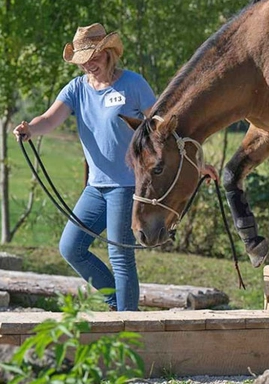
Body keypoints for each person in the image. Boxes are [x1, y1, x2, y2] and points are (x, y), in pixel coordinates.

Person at [13, 23, 217, 311]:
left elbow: (164, 132)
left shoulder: (133, 84)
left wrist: (198, 164)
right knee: (71, 247)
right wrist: (30, 128)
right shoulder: (76, 89)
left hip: (128, 185)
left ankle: (127, 322)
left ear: (108, 53)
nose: (88, 66)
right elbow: (49, 119)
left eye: (93, 58)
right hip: (96, 186)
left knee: (119, 254)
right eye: (83, 62)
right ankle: (116, 303)